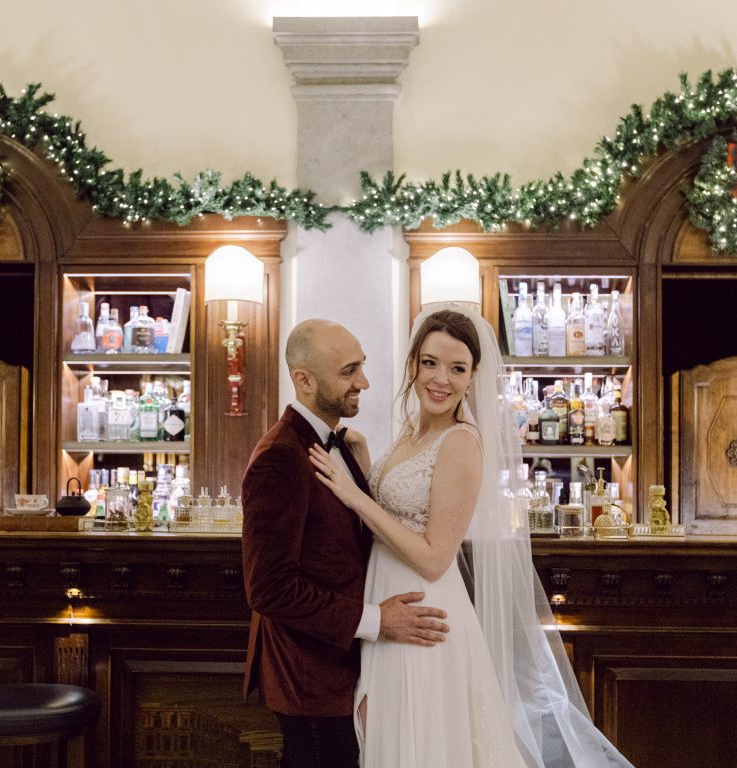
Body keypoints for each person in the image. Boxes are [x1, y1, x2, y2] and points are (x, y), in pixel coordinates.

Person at [309, 305, 635, 768]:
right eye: (430, 363)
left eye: (457, 368)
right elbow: (398, 518)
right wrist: (363, 466)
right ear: (413, 365)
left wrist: (355, 497)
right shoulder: (411, 433)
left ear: (473, 376)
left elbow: (435, 556)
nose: (440, 379)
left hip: (424, 614)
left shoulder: (461, 442)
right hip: (389, 610)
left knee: (421, 744)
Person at [242, 318, 451, 768]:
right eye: (348, 371)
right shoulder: (280, 457)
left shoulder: (337, 444)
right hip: (308, 675)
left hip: (337, 668)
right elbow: (269, 588)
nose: (364, 382)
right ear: (304, 379)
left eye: (362, 367)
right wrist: (377, 620)